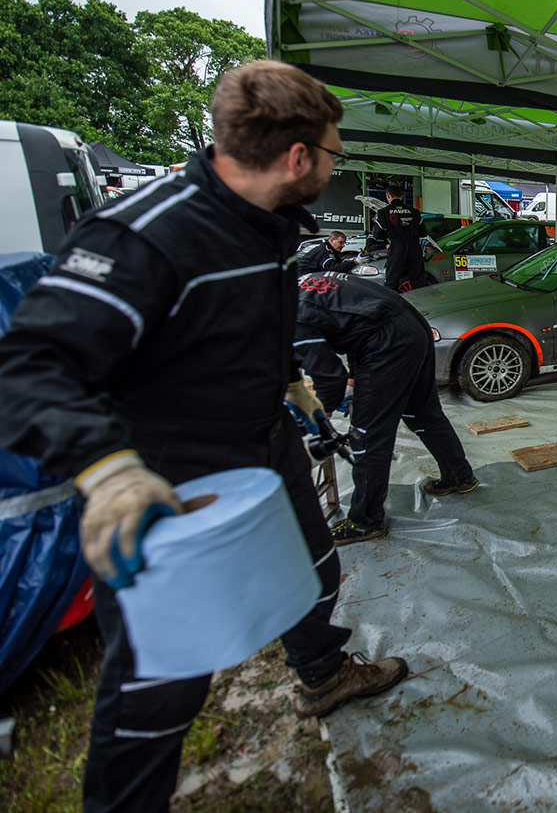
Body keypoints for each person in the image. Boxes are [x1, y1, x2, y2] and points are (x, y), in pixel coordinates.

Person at [0, 60, 409, 812]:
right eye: (333, 152)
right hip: (165, 475)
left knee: (314, 573)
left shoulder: (269, 220)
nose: (334, 166)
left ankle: (323, 675)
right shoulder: (143, 236)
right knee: (161, 677)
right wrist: (107, 470)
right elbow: (30, 366)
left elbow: (248, 316)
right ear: (298, 156)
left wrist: (290, 379)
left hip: (263, 442)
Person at [294, 271, 478, 544]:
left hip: (386, 340)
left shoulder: (286, 316)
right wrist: (356, 374)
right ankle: (459, 475)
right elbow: (354, 318)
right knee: (423, 413)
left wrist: (322, 410)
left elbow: (329, 376)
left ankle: (365, 522)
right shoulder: (296, 285)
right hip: (411, 325)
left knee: (367, 434)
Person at [368, 185, 435, 292]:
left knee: (391, 281)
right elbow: (423, 233)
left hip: (396, 247)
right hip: (414, 247)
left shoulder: (383, 213)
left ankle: (392, 301)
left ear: (388, 196)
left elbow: (378, 235)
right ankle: (420, 300)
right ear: (401, 196)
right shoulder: (415, 212)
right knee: (418, 281)